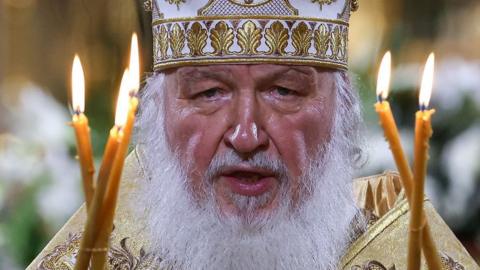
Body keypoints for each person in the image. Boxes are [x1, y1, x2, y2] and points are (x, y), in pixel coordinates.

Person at [28, 1, 478, 269]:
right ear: (157, 111)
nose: (246, 136)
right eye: (208, 93)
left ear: (340, 109)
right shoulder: (100, 250)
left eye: (284, 90)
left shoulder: (410, 250)